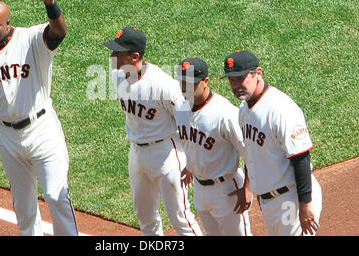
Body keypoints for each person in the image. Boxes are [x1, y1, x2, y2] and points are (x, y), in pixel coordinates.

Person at [0, 0, 78, 235]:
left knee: (56, 196)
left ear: (8, 23)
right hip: (7, 137)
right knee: (23, 207)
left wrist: (50, 3)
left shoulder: (31, 40)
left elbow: (59, 31)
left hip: (42, 130)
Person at [103, 27, 202, 236]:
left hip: (166, 154)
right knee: (145, 216)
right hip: (137, 153)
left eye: (118, 53)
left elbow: (186, 123)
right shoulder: (117, 76)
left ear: (135, 56)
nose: (112, 57)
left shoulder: (163, 85)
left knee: (180, 217)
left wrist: (190, 161)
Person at [222, 50, 323, 236]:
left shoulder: (280, 109)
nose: (235, 85)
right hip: (271, 202)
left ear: (258, 73)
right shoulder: (244, 109)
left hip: (291, 199)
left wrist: (306, 204)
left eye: (240, 78)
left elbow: (301, 158)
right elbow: (251, 154)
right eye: (231, 80)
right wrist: (248, 187)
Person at [174, 57, 252, 236]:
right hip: (201, 191)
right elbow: (191, 141)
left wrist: (248, 188)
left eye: (191, 84)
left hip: (227, 191)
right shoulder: (180, 107)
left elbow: (250, 153)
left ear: (205, 82)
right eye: (183, 83)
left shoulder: (224, 114)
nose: (185, 88)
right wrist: (191, 166)